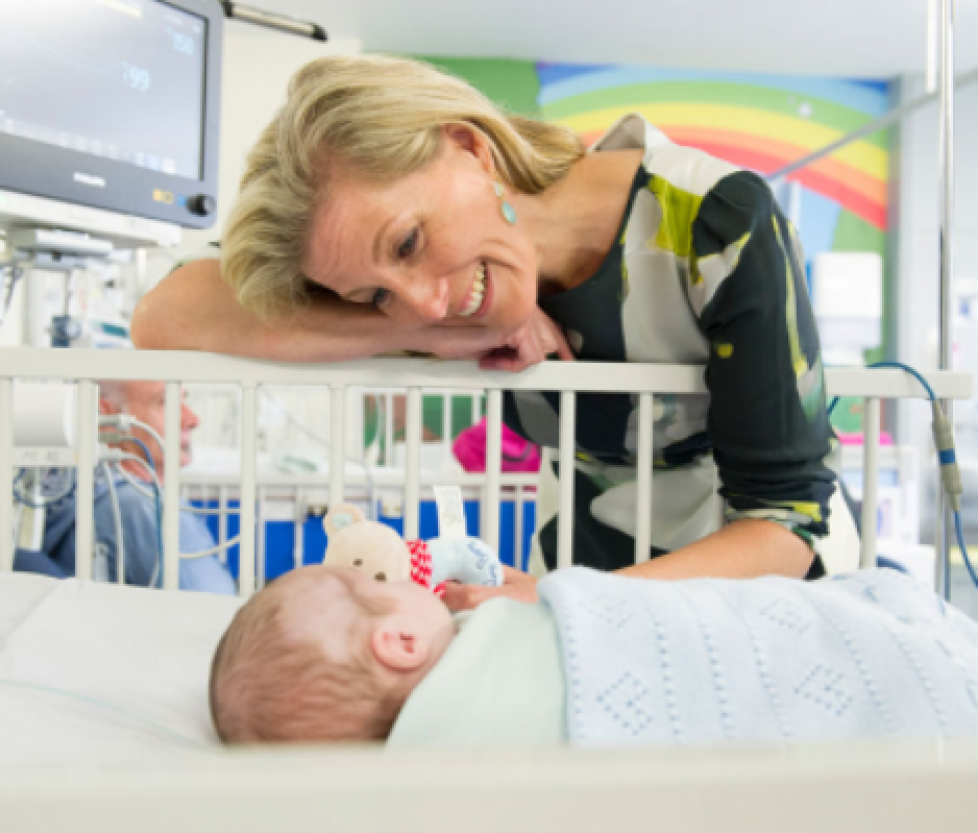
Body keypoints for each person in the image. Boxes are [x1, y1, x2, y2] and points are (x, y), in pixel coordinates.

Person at [132, 54, 859, 605]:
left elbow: (785, 525)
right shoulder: (432, 298)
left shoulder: (710, 221)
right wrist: (428, 335)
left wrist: (546, 602)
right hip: (578, 595)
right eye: (373, 295)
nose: (424, 304)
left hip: (758, 604)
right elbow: (163, 316)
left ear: (469, 148)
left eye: (409, 242)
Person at [210, 564, 978, 747]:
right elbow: (647, 619)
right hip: (864, 670)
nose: (406, 582)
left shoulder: (433, 774)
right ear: (401, 642)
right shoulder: (493, 640)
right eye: (375, 580)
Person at [43, 380, 237, 594]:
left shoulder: (75, 497)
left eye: (184, 400)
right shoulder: (143, 508)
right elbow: (218, 613)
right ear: (104, 417)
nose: (192, 419)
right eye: (166, 402)